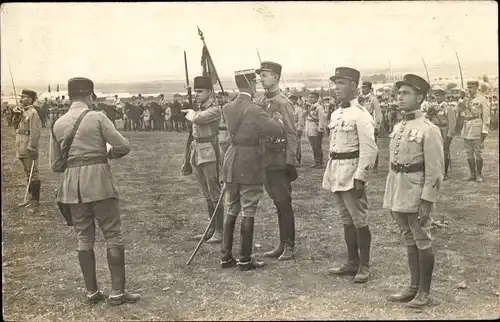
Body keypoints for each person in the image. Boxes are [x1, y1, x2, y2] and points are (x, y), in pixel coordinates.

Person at [50, 77, 139, 305]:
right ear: (90, 96)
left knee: (84, 237)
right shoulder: (98, 117)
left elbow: (55, 165)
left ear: (70, 97)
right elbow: (123, 146)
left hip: (72, 189)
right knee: (113, 234)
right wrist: (105, 155)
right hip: (99, 182)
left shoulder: (58, 123)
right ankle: (117, 293)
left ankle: (91, 292)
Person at [383, 74, 444, 308]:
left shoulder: (429, 129)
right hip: (399, 188)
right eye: (399, 93)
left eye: (406, 93)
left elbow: (435, 169)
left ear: (419, 97)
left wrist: (428, 199)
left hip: (417, 191)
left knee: (422, 237)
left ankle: (424, 293)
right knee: (408, 237)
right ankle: (412, 287)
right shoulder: (399, 126)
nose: (400, 96)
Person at [220, 69, 285, 270]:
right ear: (251, 84)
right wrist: (277, 119)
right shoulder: (255, 109)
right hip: (250, 160)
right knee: (249, 208)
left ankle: (225, 257)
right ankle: (245, 259)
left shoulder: (227, 107)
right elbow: (275, 129)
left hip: (232, 159)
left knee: (232, 207)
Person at [324, 67, 378, 284]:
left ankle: (364, 266)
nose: (337, 88)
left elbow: (369, 148)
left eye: (342, 83)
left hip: (352, 172)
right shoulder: (337, 113)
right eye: (335, 83)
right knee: (346, 220)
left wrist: (361, 176)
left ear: (355, 86)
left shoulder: (361, 114)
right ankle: (351, 261)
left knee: (359, 220)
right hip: (337, 170)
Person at [256, 61, 298, 261]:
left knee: (284, 202)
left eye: (264, 75)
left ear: (275, 77)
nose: (261, 78)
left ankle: (289, 245)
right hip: (265, 158)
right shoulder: (261, 100)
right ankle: (282, 243)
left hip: (279, 159)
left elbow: (291, 133)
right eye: (261, 75)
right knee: (276, 202)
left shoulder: (283, 102)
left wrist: (289, 162)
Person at [181, 76, 224, 244]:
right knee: (206, 194)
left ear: (210, 92)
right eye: (196, 91)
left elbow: (197, 119)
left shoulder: (215, 109)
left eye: (200, 91)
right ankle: (211, 229)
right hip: (198, 151)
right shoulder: (199, 108)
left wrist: (191, 113)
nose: (197, 94)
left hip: (210, 152)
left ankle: (220, 231)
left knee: (214, 193)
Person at [16, 89, 42, 209]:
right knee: (28, 173)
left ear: (30, 99)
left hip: (28, 147)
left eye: (24, 97)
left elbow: (35, 132)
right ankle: (30, 197)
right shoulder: (24, 112)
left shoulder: (33, 113)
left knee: (33, 173)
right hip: (21, 147)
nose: (21, 99)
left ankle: (35, 200)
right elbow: (18, 128)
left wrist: (32, 146)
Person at [461, 80, 491, 182]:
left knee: (478, 151)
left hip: (477, 125)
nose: (469, 89)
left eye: (471, 87)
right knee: (468, 151)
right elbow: (459, 112)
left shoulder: (482, 99)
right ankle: (472, 174)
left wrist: (484, 130)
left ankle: (479, 175)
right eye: (468, 87)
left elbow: (486, 115)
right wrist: (462, 102)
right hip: (467, 126)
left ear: (476, 87)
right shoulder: (465, 99)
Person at [427, 86, 457, 180]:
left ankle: (444, 172)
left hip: (444, 130)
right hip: (434, 130)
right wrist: (429, 114)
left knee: (444, 151)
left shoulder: (448, 108)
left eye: (439, 96)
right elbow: (427, 120)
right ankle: (436, 171)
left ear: (444, 97)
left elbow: (452, 122)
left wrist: (449, 135)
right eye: (436, 96)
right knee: (434, 151)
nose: (437, 98)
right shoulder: (432, 107)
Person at [359, 81, 383, 171]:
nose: (363, 89)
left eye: (365, 88)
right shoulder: (359, 99)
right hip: (361, 125)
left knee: (373, 146)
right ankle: (364, 164)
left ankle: (375, 166)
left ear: (369, 89)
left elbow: (378, 114)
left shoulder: (373, 99)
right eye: (362, 88)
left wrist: (377, 127)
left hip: (370, 125)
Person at [304, 92, 326, 168]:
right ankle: (316, 162)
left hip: (315, 128)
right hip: (309, 127)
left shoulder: (319, 107)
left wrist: (320, 129)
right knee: (313, 146)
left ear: (317, 98)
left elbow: (322, 119)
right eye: (309, 97)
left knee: (317, 146)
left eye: (313, 97)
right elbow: (304, 116)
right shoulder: (309, 107)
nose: (310, 99)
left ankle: (319, 163)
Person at [290, 95, 305, 166]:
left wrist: (300, 129)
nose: (291, 101)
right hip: (289, 129)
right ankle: (292, 160)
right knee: (290, 145)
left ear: (296, 101)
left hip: (296, 129)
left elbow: (301, 120)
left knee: (297, 145)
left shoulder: (299, 109)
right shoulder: (288, 108)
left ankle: (298, 160)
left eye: (293, 100)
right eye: (290, 99)